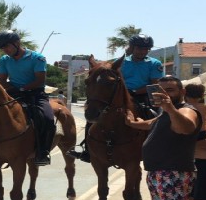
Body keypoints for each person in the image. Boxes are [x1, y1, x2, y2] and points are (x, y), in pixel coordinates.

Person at [125, 75, 202, 200]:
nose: (166, 94)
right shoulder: (165, 112)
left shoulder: (186, 110)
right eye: (162, 90)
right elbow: (152, 123)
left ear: (182, 92)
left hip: (172, 171)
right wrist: (133, 123)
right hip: (162, 171)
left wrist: (169, 108)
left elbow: (186, 127)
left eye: (171, 90)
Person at [69, 34, 164, 162]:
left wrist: (134, 90)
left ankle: (157, 148)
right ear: (132, 48)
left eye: (146, 49)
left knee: (157, 115)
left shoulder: (154, 63)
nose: (142, 51)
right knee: (93, 117)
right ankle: (87, 150)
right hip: (119, 95)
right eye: (139, 48)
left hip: (142, 95)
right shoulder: (121, 63)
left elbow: (154, 83)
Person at [0, 30, 54, 166]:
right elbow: (2, 81)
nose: (5, 50)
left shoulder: (37, 58)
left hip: (35, 94)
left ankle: (43, 151)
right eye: (3, 48)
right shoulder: (4, 60)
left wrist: (22, 88)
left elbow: (40, 80)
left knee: (48, 118)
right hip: (13, 94)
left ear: (17, 43)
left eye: (6, 46)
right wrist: (13, 89)